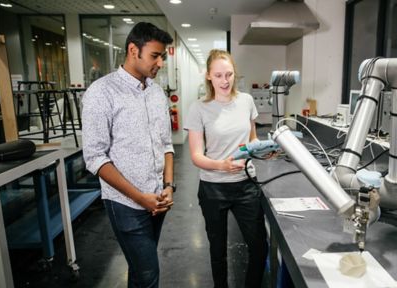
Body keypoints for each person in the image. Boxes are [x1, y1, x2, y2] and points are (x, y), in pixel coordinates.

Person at [82, 22, 175, 288]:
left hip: (157, 199)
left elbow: (166, 145)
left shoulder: (157, 93)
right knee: (148, 274)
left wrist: (168, 187)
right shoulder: (101, 93)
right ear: (133, 50)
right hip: (126, 204)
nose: (160, 63)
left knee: (139, 270)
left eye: (162, 56)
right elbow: (95, 158)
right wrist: (140, 198)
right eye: (155, 55)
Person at [184, 49, 268, 288]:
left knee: (259, 247)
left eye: (229, 74)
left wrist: (262, 149)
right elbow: (196, 156)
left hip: (246, 186)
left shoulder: (246, 101)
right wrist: (221, 165)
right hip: (213, 189)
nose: (225, 80)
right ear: (209, 76)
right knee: (218, 250)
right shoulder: (198, 109)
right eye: (219, 75)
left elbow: (251, 139)